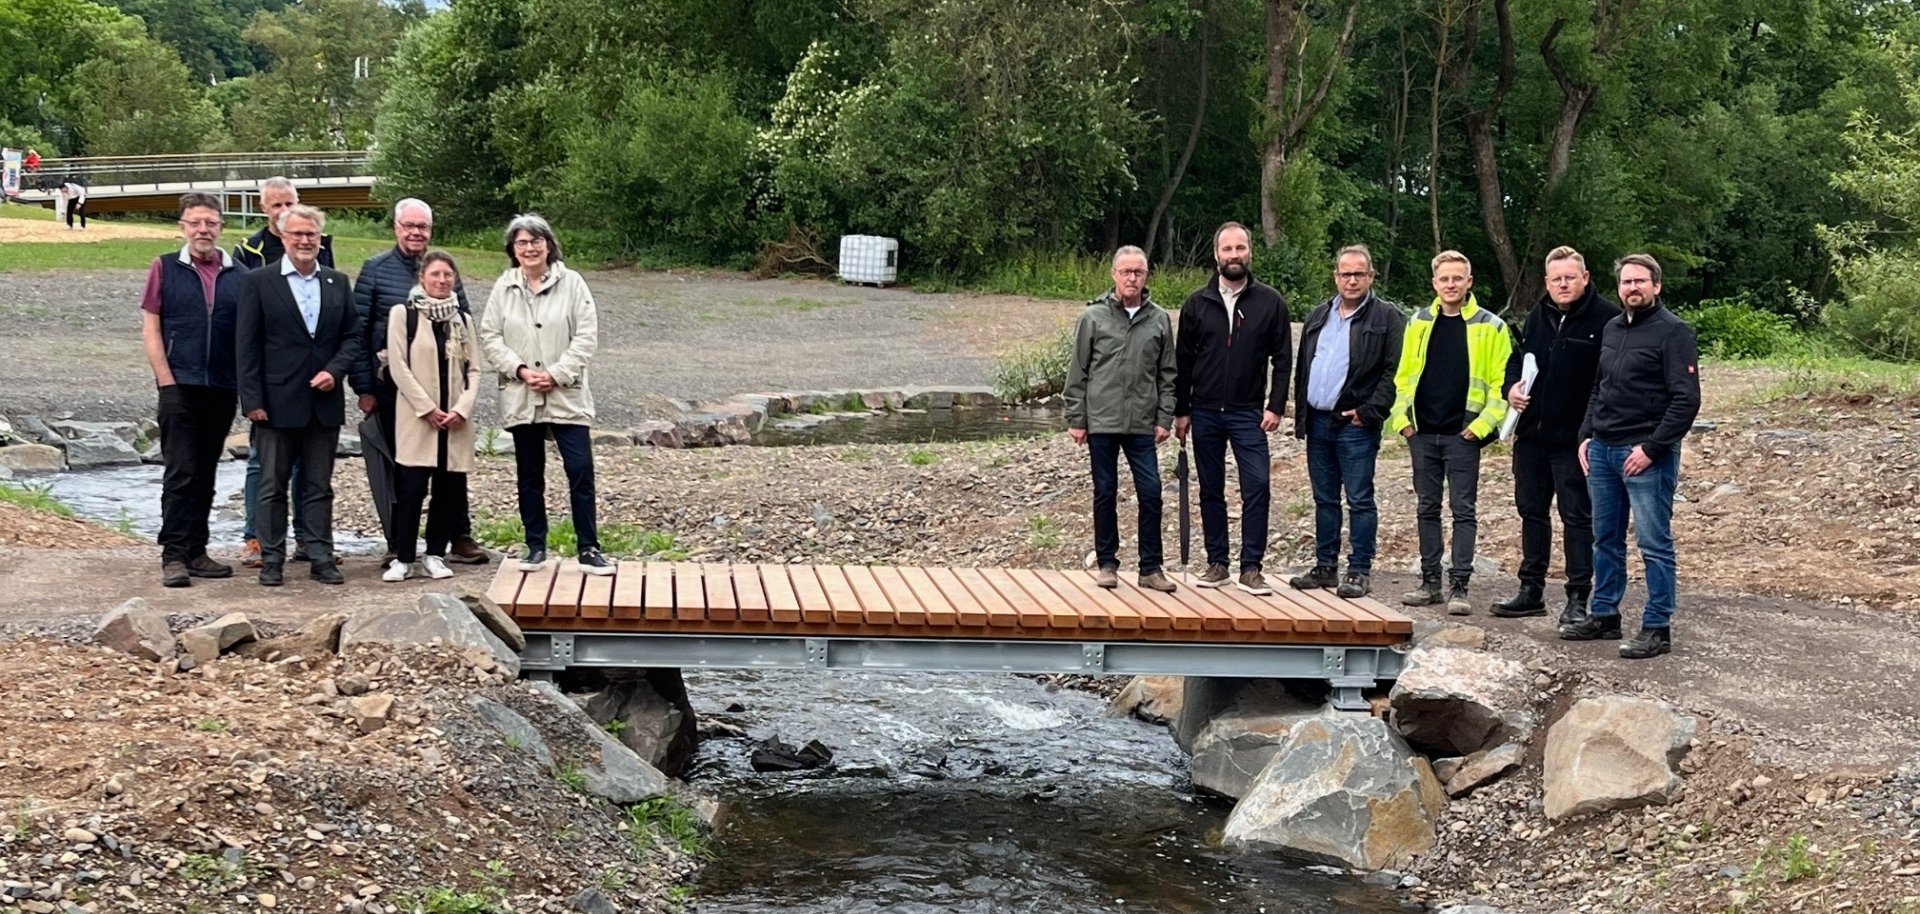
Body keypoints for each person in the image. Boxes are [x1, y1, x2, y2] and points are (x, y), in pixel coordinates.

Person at [1560, 253, 1701, 659]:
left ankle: (1657, 626)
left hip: (1644, 454)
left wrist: (1652, 448)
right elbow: (1599, 387)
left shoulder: (1674, 332)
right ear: (1619, 288)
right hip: (1602, 451)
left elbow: (1686, 400)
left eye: (1640, 281)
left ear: (1656, 285)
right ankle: (1605, 614)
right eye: (1626, 282)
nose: (1632, 288)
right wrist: (1586, 435)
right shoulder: (1612, 327)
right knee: (1605, 539)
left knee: (1654, 543)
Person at [351, 198, 488, 566]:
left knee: (451, 466)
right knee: (406, 470)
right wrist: (364, 387)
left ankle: (458, 535)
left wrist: (462, 397)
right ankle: (400, 543)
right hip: (393, 388)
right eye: (409, 225)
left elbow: (463, 326)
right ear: (397, 228)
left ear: (430, 230)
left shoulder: (445, 271)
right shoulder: (376, 269)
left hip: (447, 388)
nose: (416, 232)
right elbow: (359, 331)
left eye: (422, 226)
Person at [476, 214, 615, 575]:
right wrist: (520, 370)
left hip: (566, 394)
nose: (530, 248)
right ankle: (535, 546)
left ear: (549, 244)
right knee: (529, 474)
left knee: (580, 470)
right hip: (522, 393)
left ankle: (588, 548)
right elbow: (490, 336)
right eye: (522, 242)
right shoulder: (504, 287)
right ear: (513, 249)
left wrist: (556, 373)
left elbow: (586, 335)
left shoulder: (573, 283)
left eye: (536, 241)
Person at [1490, 246, 1622, 624]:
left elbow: (1609, 381)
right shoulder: (1538, 315)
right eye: (1556, 279)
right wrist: (1511, 388)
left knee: (1576, 517)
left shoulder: (1608, 319)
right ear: (1547, 282)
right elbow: (1519, 360)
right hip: (1531, 435)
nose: (1563, 284)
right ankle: (1530, 590)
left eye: (1570, 278)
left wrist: (1591, 431)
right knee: (1531, 512)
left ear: (1585, 278)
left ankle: (1578, 596)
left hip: (1574, 440)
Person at [235, 204, 361, 586]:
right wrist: (252, 401)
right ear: (284, 237)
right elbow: (246, 345)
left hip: (323, 402)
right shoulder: (259, 282)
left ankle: (321, 555)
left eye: (312, 234)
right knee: (272, 485)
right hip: (275, 402)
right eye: (297, 234)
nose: (305, 240)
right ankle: (272, 558)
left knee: (319, 486)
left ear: (320, 239)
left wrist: (335, 371)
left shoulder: (337, 282)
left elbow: (352, 337)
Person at [1387, 250, 1512, 615]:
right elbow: (1403, 376)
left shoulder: (1491, 326)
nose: (1451, 284)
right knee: (1426, 508)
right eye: (1445, 279)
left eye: (1458, 278)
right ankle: (1430, 583)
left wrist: (1480, 427)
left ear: (1469, 282)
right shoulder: (1419, 322)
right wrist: (1401, 420)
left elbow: (1500, 384)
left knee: (1463, 511)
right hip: (1422, 432)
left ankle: (1459, 586)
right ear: (1435, 283)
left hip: (1463, 434)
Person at [1172, 222, 1291, 595]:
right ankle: (1217, 563)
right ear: (1216, 255)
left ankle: (1251, 567)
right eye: (1227, 249)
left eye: (1240, 248)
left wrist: (1275, 405)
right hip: (1205, 411)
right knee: (1211, 488)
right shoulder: (1196, 303)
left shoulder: (1270, 302)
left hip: (1248, 412)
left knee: (1257, 485)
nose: (1234, 255)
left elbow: (1283, 358)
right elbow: (1183, 361)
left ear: (1250, 252)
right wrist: (1181, 410)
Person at [1289, 245, 1406, 598]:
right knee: (1324, 498)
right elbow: (1304, 366)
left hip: (1355, 424)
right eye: (1345, 274)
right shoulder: (1318, 315)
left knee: (1359, 499)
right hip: (1318, 421)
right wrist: (1300, 413)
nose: (1351, 280)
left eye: (1359, 274)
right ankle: (1326, 566)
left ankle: (1359, 570)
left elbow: (1395, 372)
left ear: (1371, 276)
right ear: (1336, 276)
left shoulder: (1387, 318)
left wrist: (1370, 411)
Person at [139, 193, 244, 587]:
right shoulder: (165, 267)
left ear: (221, 227)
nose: (203, 230)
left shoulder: (240, 273)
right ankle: (174, 555)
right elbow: (151, 327)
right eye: (196, 222)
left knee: (206, 472)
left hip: (222, 385)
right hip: (179, 383)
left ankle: (197, 550)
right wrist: (165, 379)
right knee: (181, 471)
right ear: (182, 226)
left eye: (210, 223)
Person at [1063, 246, 1178, 593]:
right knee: (1105, 491)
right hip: (1101, 421)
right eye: (1126, 271)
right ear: (1114, 274)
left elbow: (1167, 374)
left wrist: (1165, 417)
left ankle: (1151, 567)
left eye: (1138, 272)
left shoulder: (1158, 319)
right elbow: (1078, 371)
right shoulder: (1093, 317)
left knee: (1151, 492)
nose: (1132, 278)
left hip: (1142, 422)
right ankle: (1107, 564)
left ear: (1146, 276)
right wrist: (1076, 418)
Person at [381, 250, 481, 582]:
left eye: (447, 275)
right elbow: (398, 366)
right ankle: (403, 557)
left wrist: (461, 408)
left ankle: (436, 554)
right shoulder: (404, 315)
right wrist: (426, 408)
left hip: (455, 421)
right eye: (435, 274)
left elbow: (475, 369)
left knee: (449, 491)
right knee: (411, 489)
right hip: (417, 418)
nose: (441, 280)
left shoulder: (462, 320)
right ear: (422, 278)